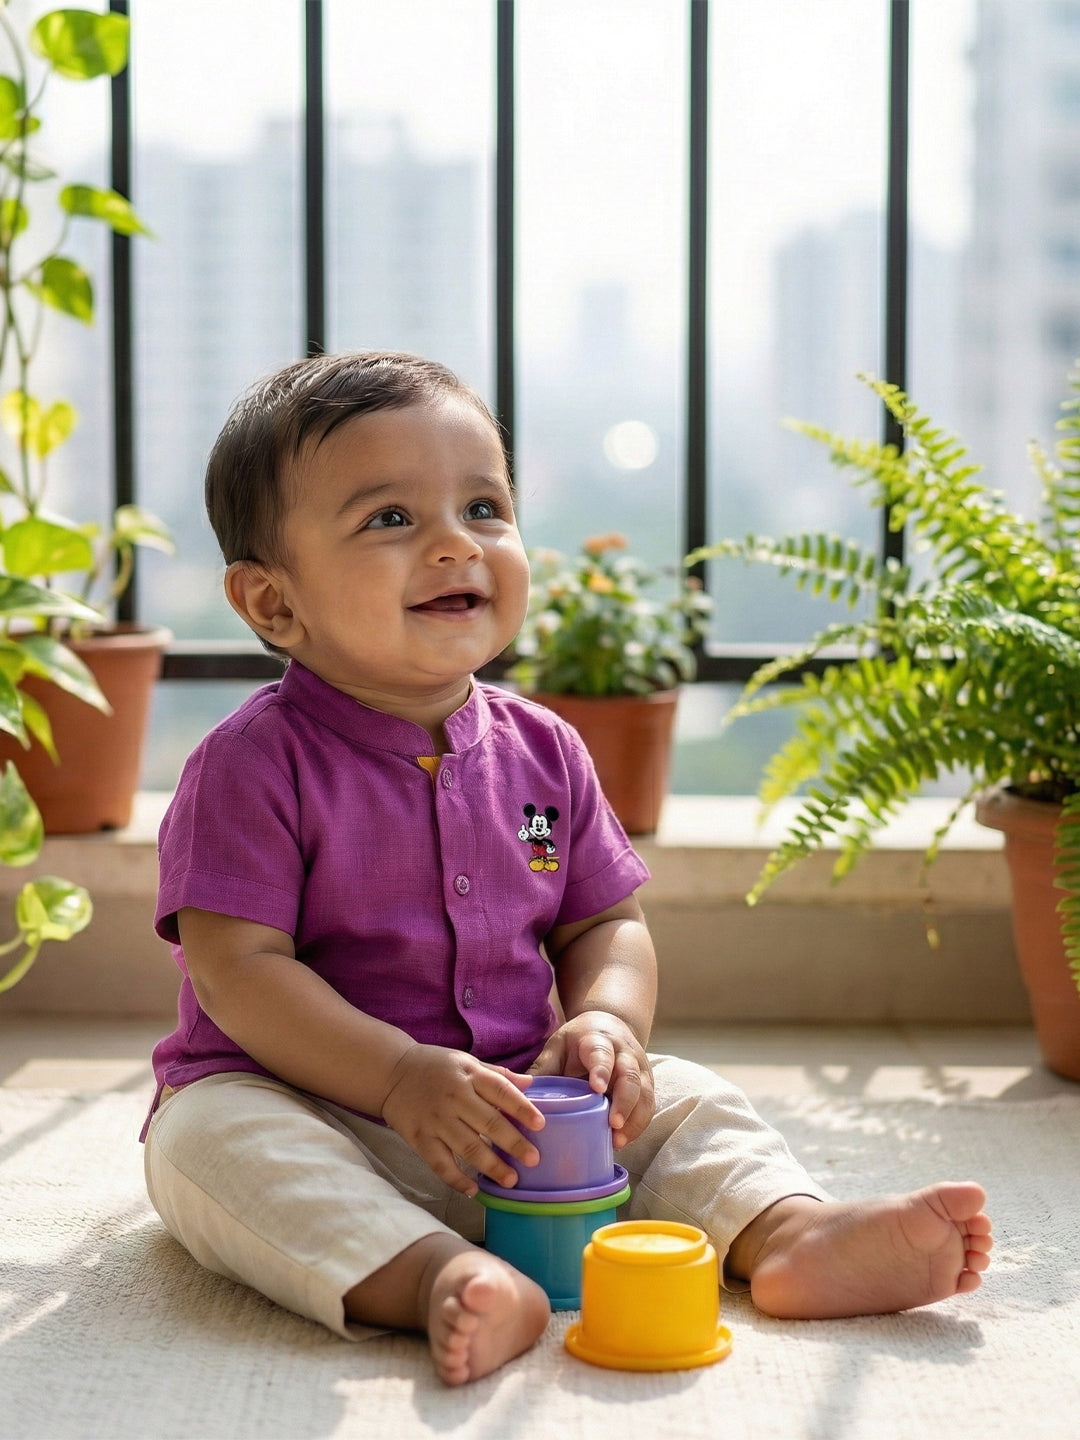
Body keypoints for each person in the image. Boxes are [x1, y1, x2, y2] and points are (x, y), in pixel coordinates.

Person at [142, 351, 993, 1387]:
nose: (457, 542)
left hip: (530, 1117)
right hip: (314, 1108)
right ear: (272, 604)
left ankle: (789, 1235)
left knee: (684, 1100)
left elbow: (605, 925)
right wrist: (398, 1078)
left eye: (484, 507)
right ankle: (436, 1279)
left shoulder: (544, 749)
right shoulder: (249, 765)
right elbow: (239, 974)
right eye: (391, 520)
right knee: (207, 1145)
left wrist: (605, 1026)